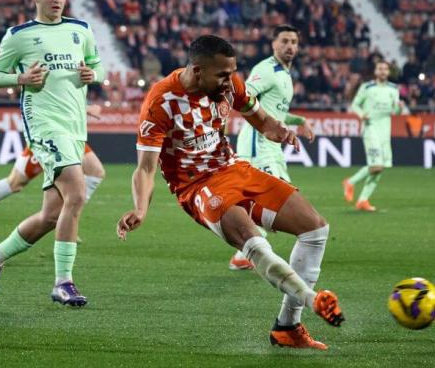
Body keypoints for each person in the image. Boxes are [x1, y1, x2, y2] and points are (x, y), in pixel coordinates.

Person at [117, 35, 344, 350]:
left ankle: (287, 327)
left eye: (232, 73)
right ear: (197, 71)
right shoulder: (161, 102)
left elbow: (260, 119)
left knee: (316, 229)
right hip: (198, 186)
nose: (230, 81)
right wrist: (140, 208)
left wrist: (279, 131)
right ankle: (312, 299)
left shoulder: (229, 85)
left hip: (236, 169)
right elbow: (145, 168)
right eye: (222, 75)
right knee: (255, 244)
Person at [0, 0, 105, 307]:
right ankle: (63, 282)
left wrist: (94, 74)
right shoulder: (19, 35)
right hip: (45, 125)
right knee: (77, 194)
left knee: (51, 215)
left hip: (76, 127)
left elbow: (98, 65)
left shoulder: (81, 30)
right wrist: (21, 78)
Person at [0, 105, 106, 246]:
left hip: (68, 135)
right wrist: (85, 108)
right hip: (48, 136)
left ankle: (65, 218)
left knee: (96, 171)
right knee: (15, 183)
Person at [233, 25, 314, 270]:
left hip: (272, 144)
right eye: (285, 41)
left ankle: (245, 252)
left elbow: (277, 111)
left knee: (277, 195)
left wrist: (300, 121)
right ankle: (247, 248)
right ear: (273, 44)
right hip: (259, 142)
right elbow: (244, 97)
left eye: (294, 41)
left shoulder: (285, 75)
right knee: (277, 196)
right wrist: (262, 126)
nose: (290, 46)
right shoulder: (267, 69)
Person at [343, 61, 404, 211]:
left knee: (380, 167)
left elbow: (395, 112)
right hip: (370, 129)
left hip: (385, 131)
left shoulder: (394, 89)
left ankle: (363, 200)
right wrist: (362, 114)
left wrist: (399, 108)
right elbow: (355, 105)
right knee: (376, 165)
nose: (383, 71)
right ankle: (350, 182)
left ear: (388, 72)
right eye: (380, 69)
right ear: (375, 72)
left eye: (385, 69)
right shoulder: (367, 87)